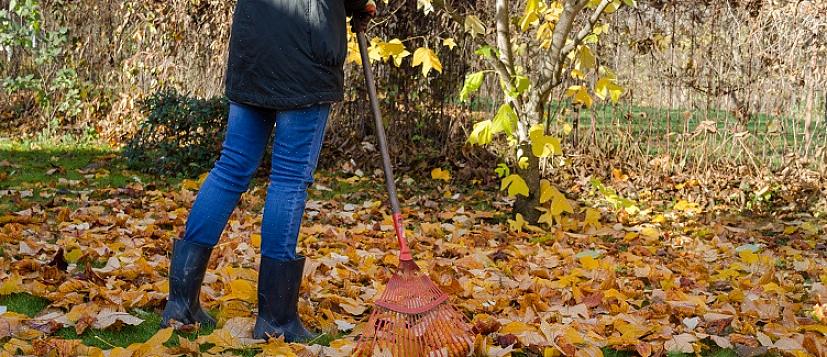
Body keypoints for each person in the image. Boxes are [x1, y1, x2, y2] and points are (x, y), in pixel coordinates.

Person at [160, 0, 376, 342]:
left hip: (254, 48)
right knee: (289, 180)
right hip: (306, 55)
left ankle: (180, 305)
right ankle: (277, 320)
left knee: (230, 168)